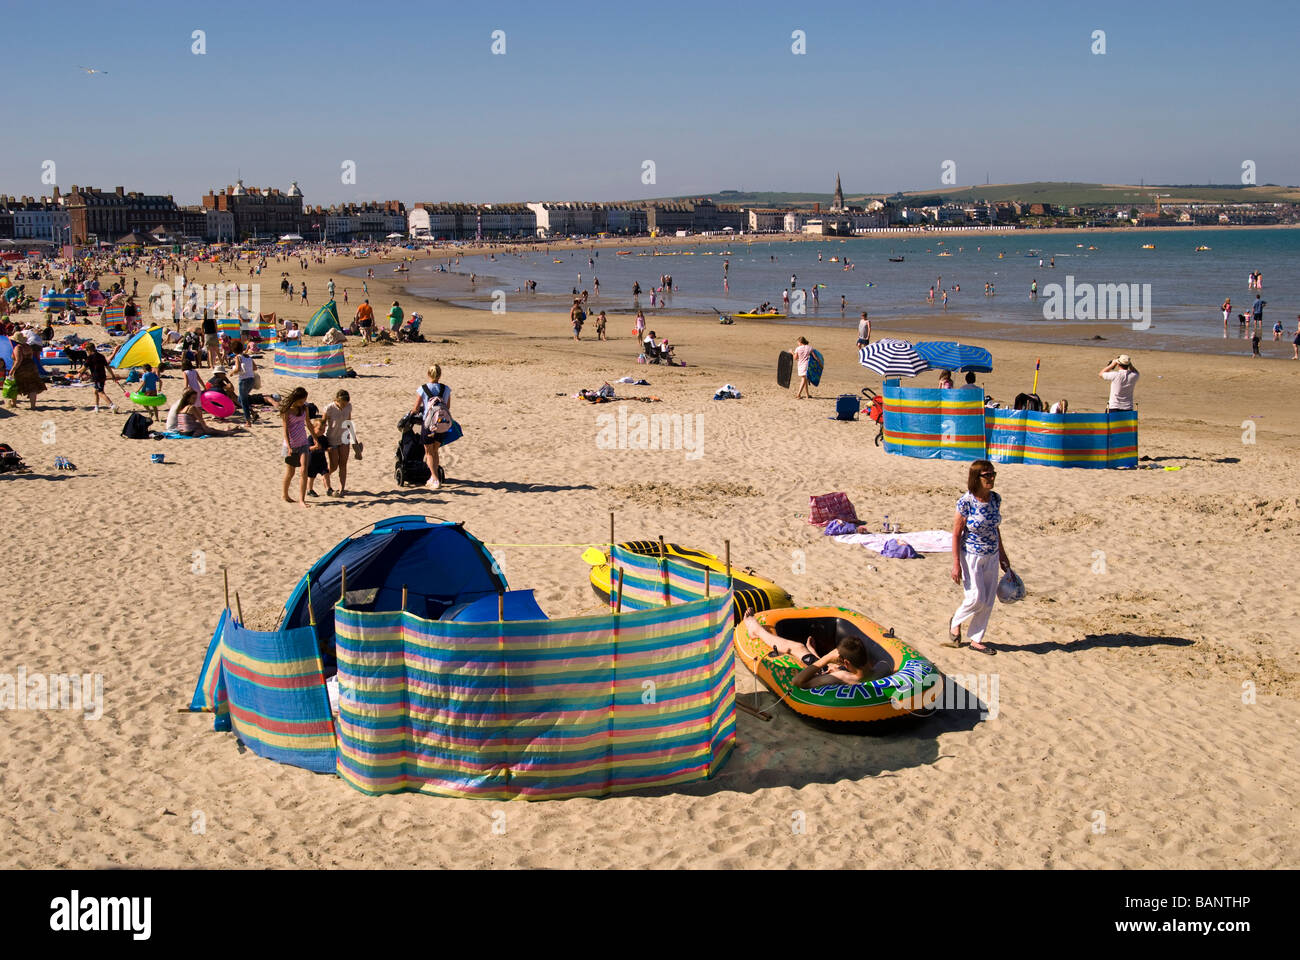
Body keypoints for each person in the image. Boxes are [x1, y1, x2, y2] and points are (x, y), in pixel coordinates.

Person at [947, 460, 1010, 655]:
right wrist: (956, 564)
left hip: (991, 554)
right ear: (976, 478)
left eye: (993, 474)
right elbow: (956, 533)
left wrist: (1002, 555)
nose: (991, 478)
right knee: (976, 597)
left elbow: (995, 528)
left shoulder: (995, 499)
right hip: (971, 555)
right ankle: (956, 621)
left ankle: (976, 639)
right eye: (987, 475)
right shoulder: (966, 501)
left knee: (988, 600)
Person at [741, 609, 890, 689]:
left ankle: (756, 630)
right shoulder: (879, 670)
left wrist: (826, 658)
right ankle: (811, 651)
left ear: (846, 662)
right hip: (834, 669)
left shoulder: (842, 677)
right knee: (805, 649)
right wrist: (816, 653)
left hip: (817, 672)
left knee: (796, 647)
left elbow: (798, 682)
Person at [409, 364, 452, 491]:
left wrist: (413, 413)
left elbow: (416, 408)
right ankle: (434, 477)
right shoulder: (446, 389)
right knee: (435, 449)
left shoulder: (423, 389)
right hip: (442, 422)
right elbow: (447, 407)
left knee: (428, 452)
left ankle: (435, 478)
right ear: (440, 375)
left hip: (428, 424)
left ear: (428, 374)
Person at [280, 387, 314, 507]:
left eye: (304, 400)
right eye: (301, 400)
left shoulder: (304, 408)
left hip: (303, 443)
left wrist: (315, 438)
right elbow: (285, 430)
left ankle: (302, 500)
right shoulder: (286, 411)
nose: (303, 403)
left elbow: (309, 424)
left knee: (304, 471)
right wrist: (289, 447)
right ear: (295, 399)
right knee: (290, 473)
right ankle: (285, 495)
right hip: (291, 446)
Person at [323, 389, 356, 496]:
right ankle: (326, 477)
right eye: (343, 403)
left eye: (346, 403)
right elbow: (322, 424)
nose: (344, 405)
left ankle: (342, 488)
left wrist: (353, 438)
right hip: (332, 439)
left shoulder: (348, 407)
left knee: (343, 464)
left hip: (344, 438)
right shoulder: (329, 408)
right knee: (333, 466)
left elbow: (349, 422)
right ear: (338, 400)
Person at [175, 389, 245, 437]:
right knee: (212, 431)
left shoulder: (181, 409)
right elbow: (201, 421)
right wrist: (207, 429)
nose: (195, 400)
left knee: (211, 429)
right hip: (191, 432)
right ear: (188, 399)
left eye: (195, 398)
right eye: (193, 398)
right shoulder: (191, 407)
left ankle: (229, 431)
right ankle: (229, 432)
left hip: (181, 432)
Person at [8, 337, 46, 410]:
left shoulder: (18, 348)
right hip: (31, 367)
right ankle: (33, 406)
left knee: (15, 386)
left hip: (21, 369)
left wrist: (12, 370)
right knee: (32, 387)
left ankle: (14, 404)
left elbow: (18, 360)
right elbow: (31, 357)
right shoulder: (28, 347)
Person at [84, 344, 120, 412]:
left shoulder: (90, 357)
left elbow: (83, 368)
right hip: (103, 376)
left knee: (100, 392)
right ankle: (96, 407)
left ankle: (112, 405)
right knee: (96, 392)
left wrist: (79, 372)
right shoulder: (101, 356)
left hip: (97, 377)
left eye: (87, 351)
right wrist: (113, 375)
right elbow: (107, 367)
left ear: (89, 350)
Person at [231, 340, 257, 426]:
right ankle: (253, 413)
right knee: (240, 399)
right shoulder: (248, 357)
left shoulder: (238, 357)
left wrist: (232, 372)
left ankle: (248, 421)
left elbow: (238, 368)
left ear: (234, 350)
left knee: (243, 401)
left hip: (244, 380)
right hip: (251, 379)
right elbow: (255, 368)